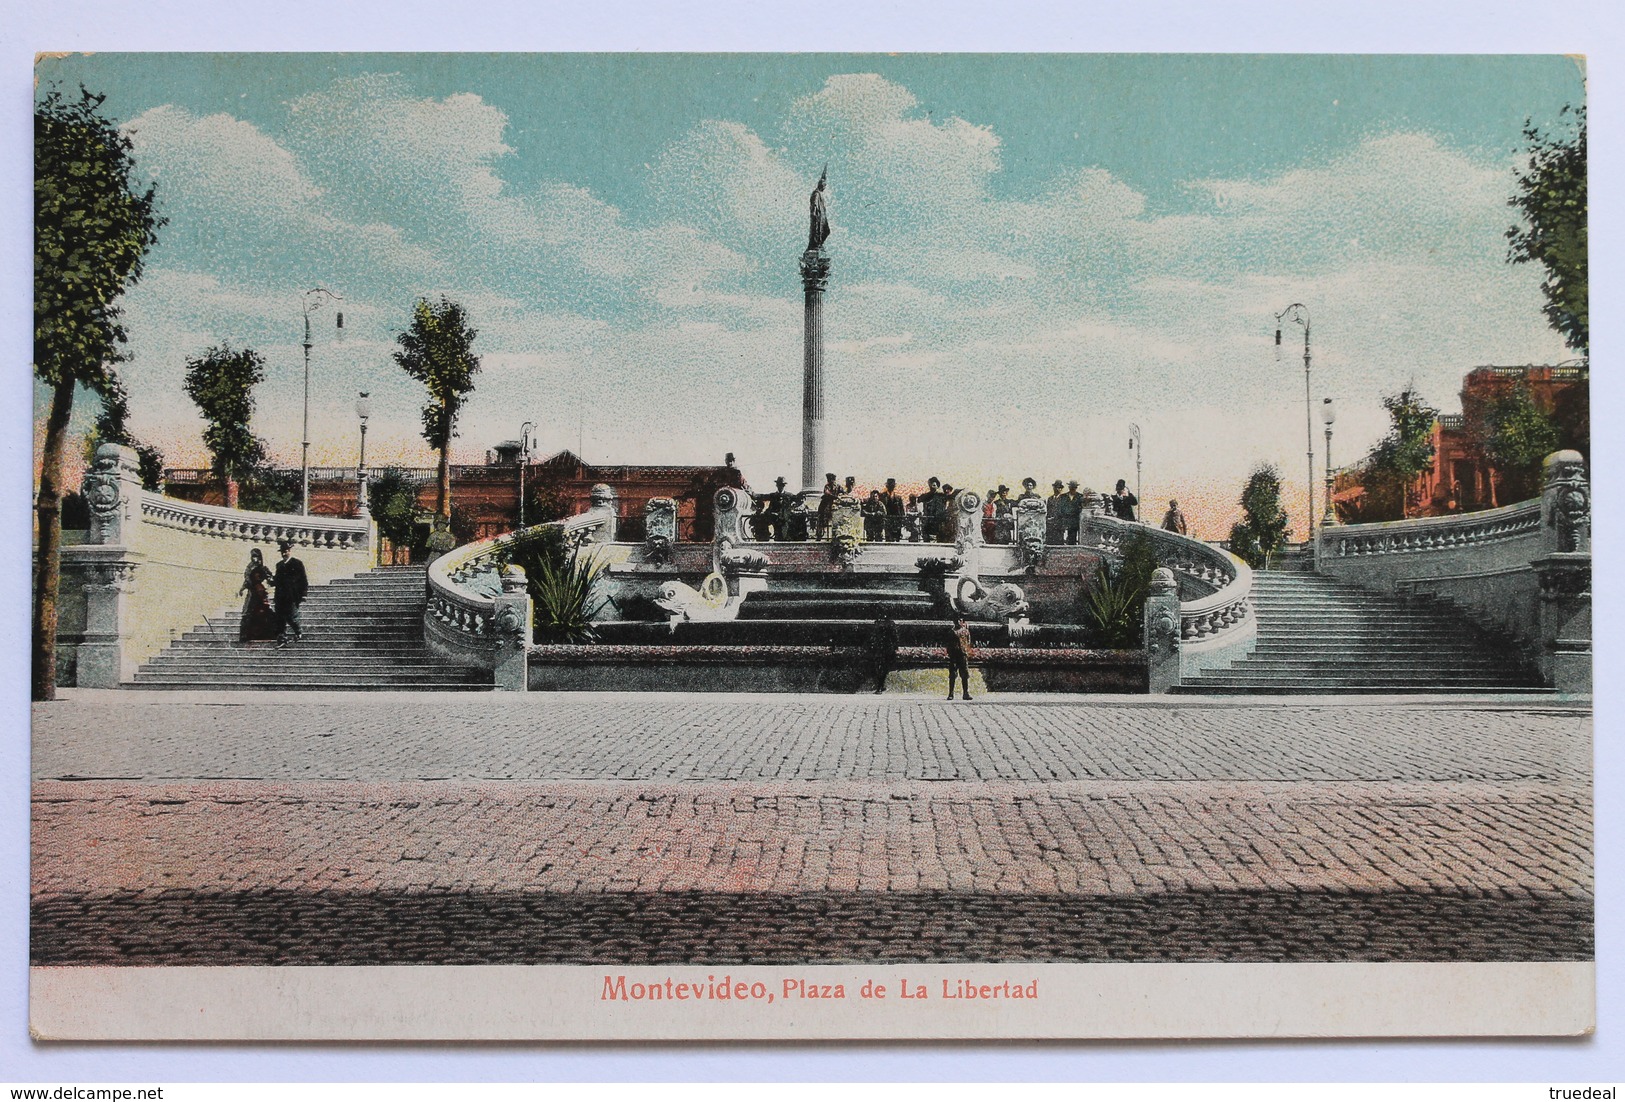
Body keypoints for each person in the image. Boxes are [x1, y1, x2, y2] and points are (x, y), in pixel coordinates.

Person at [270, 539, 309, 647]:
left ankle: (298, 631)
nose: (284, 553)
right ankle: (282, 638)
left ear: (289, 551)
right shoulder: (279, 565)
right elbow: (276, 581)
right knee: (280, 618)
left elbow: (303, 580)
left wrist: (304, 594)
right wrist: (270, 580)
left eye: (286, 551)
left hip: (292, 595)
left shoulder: (297, 563)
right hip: (279, 596)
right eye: (282, 551)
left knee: (291, 616)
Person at [237, 548, 279, 643]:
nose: (254, 558)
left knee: (262, 611)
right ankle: (247, 636)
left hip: (259, 592)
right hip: (252, 592)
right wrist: (242, 589)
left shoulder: (262, 568)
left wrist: (271, 582)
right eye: (253, 556)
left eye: (256, 556)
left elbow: (270, 579)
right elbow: (247, 580)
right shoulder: (249, 568)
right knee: (248, 612)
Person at [866, 606, 900, 694]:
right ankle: (881, 686)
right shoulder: (891, 623)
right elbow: (895, 637)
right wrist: (895, 647)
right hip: (888, 648)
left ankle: (880, 687)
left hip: (879, 648)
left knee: (879, 667)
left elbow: (873, 637)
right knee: (884, 668)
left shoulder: (877, 623)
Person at [945, 614, 973, 701]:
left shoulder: (965, 631)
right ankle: (951, 693)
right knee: (953, 674)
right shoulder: (951, 632)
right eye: (956, 620)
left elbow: (968, 641)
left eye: (960, 620)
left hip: (963, 654)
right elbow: (948, 644)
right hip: (954, 655)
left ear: (962, 621)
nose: (958, 622)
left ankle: (965, 693)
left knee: (965, 674)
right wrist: (950, 653)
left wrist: (967, 652)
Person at [880, 478, 905, 542]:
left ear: (895, 486)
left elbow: (902, 510)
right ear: (886, 486)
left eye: (892, 485)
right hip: (887, 520)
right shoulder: (882, 496)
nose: (891, 486)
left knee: (897, 539)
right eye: (889, 485)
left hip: (896, 521)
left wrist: (902, 520)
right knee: (888, 539)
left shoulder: (898, 498)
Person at [817, 472, 838, 540]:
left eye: (831, 480)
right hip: (825, 505)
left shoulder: (838, 487)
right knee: (822, 520)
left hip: (834, 505)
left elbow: (843, 493)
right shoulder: (827, 486)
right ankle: (820, 534)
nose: (830, 481)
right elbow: (827, 493)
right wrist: (835, 497)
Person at [1046, 480, 1066, 544]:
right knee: (1050, 540)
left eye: (1060, 488)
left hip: (1059, 523)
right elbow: (1048, 510)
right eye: (1057, 487)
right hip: (1050, 524)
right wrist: (1048, 519)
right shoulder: (1050, 499)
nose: (1058, 489)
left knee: (1059, 541)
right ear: (1053, 488)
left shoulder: (1064, 499)